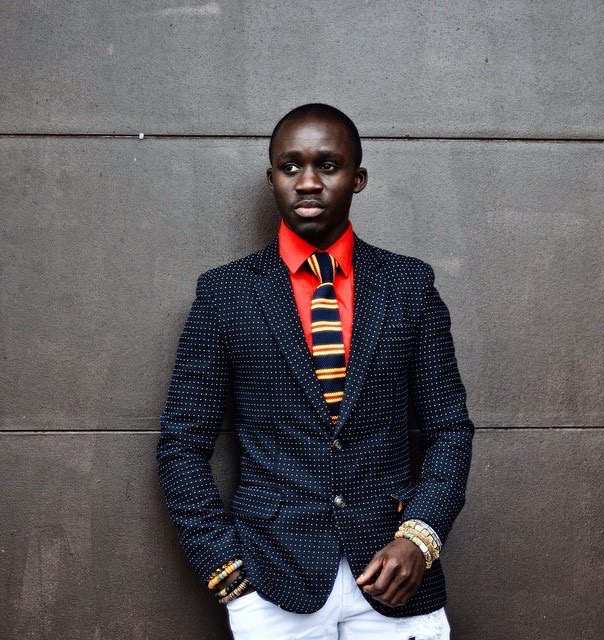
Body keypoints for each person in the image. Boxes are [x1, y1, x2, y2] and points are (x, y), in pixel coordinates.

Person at [157, 103, 473, 640]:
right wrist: (224, 567)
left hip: (396, 579)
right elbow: (181, 444)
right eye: (290, 166)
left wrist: (419, 539)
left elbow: (449, 429)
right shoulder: (225, 293)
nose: (307, 182)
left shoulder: (409, 286)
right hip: (272, 580)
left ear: (358, 178)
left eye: (327, 165)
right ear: (272, 179)